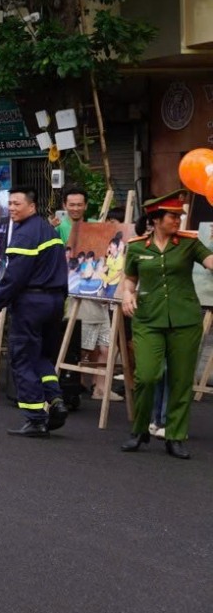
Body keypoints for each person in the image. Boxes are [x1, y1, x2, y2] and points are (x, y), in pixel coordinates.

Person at [120, 190, 213, 459]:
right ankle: (140, 431)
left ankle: (175, 435)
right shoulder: (137, 246)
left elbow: (209, 262)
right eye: (173, 216)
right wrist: (127, 294)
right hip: (148, 318)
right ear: (157, 218)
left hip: (185, 320)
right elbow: (130, 278)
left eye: (180, 216)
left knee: (181, 380)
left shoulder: (189, 243)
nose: (179, 220)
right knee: (147, 375)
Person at [0, 186, 69, 438]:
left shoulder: (24, 234)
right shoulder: (49, 230)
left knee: (22, 359)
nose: (12, 208)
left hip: (31, 304)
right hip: (54, 302)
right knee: (42, 356)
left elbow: (14, 277)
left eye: (17, 204)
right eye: (9, 203)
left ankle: (35, 418)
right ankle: (55, 400)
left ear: (31, 206)